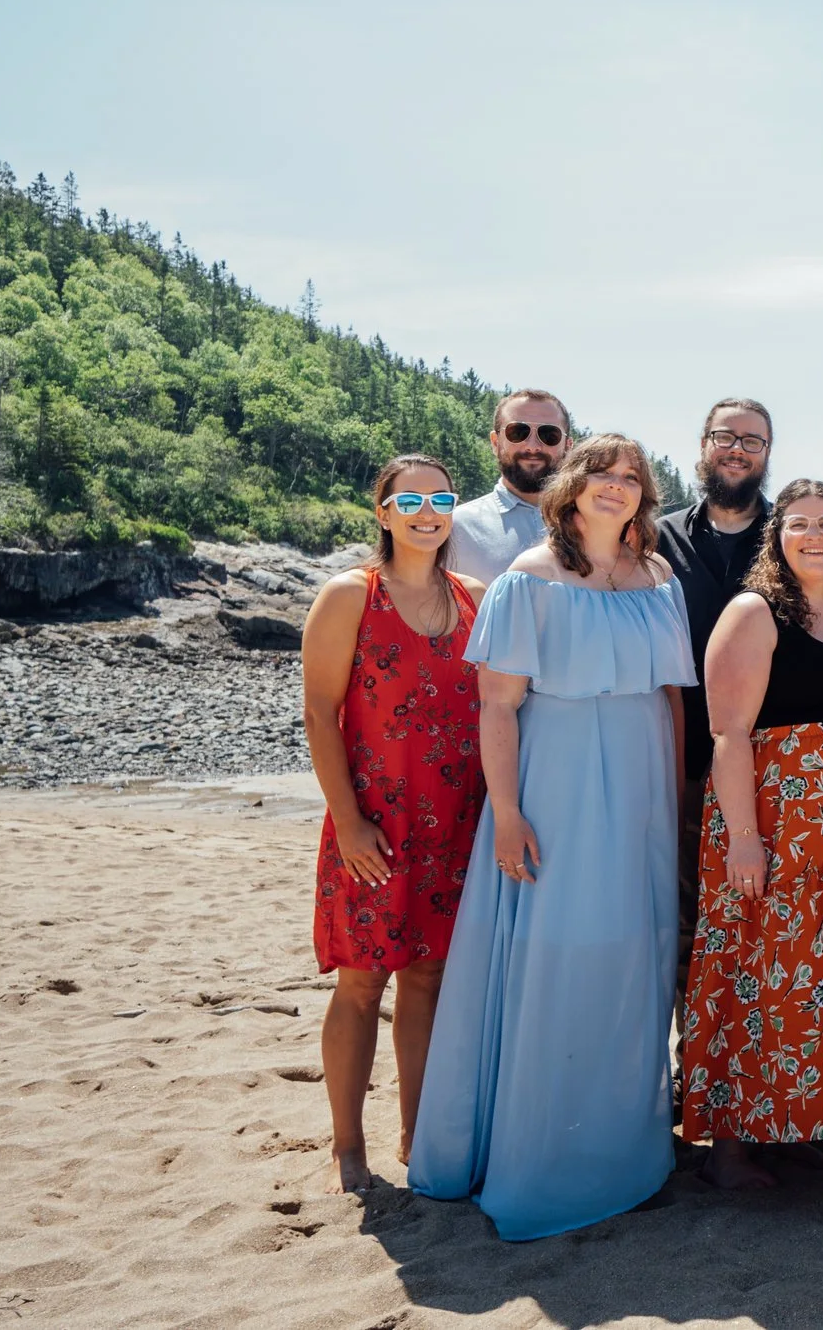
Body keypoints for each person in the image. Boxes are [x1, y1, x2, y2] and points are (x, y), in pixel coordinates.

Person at [408, 435, 695, 1240]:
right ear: (572, 485)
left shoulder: (659, 578)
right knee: (558, 953)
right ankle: (544, 1159)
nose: (615, 486)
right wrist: (507, 811)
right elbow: (497, 705)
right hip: (557, 783)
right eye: (601, 472)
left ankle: (625, 1153)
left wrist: (673, 798)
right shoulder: (527, 578)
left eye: (631, 477)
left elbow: (669, 698)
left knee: (633, 954)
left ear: (644, 495)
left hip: (641, 782)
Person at [682, 478, 823, 1190]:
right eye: (798, 523)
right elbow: (728, 733)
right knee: (755, 970)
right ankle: (731, 1146)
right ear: (777, 536)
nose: (814, 535)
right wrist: (744, 838)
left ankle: (799, 1125)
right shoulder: (754, 611)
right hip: (774, 820)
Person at [300, 453, 487, 1194]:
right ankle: (347, 1147)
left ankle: (417, 1134)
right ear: (383, 513)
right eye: (409, 501)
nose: (426, 512)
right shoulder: (351, 595)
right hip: (375, 822)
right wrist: (348, 822)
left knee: (429, 977)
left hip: (455, 820)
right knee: (361, 981)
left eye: (440, 499)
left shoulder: (475, 598)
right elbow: (320, 713)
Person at [653, 397, 775, 1000]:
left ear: (768, 455)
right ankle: (689, 1050)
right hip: (672, 758)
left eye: (753, 441)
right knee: (678, 920)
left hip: (767, 764)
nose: (737, 450)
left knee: (759, 917)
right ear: (703, 445)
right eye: (726, 437)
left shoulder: (790, 536)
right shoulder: (656, 536)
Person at [448, 389, 570, 584]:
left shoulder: (595, 526)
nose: (532, 446)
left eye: (549, 435)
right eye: (518, 433)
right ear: (495, 443)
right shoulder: (453, 528)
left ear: (568, 446)